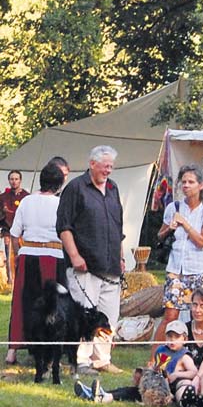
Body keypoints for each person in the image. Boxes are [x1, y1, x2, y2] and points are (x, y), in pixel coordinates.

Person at [56, 145, 125, 375]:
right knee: (84, 315)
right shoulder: (75, 188)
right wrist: (74, 256)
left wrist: (121, 257)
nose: (108, 171)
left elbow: (118, 227)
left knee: (109, 315)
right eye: (105, 166)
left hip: (111, 266)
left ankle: (102, 359)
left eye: (111, 167)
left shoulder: (114, 189)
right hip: (84, 267)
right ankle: (81, 360)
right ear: (92, 164)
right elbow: (63, 226)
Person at [5, 162, 66, 365]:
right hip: (54, 257)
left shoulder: (27, 201)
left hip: (28, 256)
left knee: (23, 302)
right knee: (52, 304)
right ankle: (48, 352)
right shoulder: (60, 204)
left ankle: (12, 351)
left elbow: (15, 234)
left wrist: (18, 256)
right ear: (59, 185)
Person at [154, 164, 203, 343]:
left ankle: (199, 353)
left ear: (201, 185)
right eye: (183, 182)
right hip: (176, 268)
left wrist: (185, 224)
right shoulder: (173, 207)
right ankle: (155, 359)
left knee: (201, 315)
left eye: (191, 182)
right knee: (170, 315)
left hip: (200, 268)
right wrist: (169, 229)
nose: (186, 186)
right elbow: (159, 236)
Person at [75, 320, 199, 407]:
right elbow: (159, 369)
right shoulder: (163, 351)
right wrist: (150, 370)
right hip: (155, 385)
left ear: (185, 339)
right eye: (170, 336)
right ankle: (101, 394)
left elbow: (194, 372)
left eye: (176, 337)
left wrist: (177, 375)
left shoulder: (184, 356)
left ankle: (101, 395)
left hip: (167, 391)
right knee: (130, 391)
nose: (172, 340)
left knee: (132, 393)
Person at [1, 170, 29, 285]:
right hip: (9, 231)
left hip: (23, 232)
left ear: (20, 180)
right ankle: (11, 281)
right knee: (10, 257)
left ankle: (25, 279)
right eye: (12, 179)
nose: (14, 181)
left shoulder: (26, 196)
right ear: (9, 180)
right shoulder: (3, 197)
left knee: (24, 256)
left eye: (16, 179)